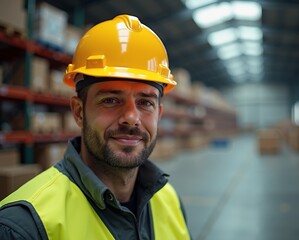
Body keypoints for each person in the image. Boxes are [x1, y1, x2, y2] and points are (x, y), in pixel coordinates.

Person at [0, 14, 191, 239]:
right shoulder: (24, 227)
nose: (131, 117)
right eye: (110, 100)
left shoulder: (170, 202)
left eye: (145, 102)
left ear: (158, 114)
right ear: (79, 112)